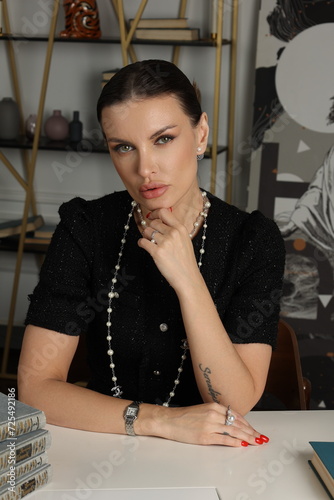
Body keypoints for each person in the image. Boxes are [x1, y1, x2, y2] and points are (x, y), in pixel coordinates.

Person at [18, 59, 285, 447]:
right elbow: (34, 386)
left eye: (163, 139)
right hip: (108, 443)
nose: (145, 168)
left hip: (221, 455)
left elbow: (234, 403)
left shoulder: (253, 240)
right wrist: (162, 421)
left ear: (200, 134)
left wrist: (188, 280)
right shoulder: (85, 228)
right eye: (124, 147)